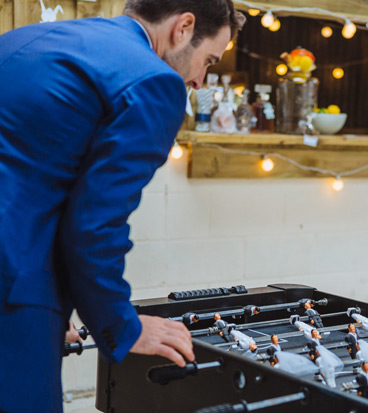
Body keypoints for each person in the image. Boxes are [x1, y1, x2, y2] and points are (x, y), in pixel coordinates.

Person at [0, 1, 245, 410]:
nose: (201, 81)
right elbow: (94, 227)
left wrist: (55, 309)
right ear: (183, 27)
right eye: (209, 61)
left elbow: (34, 180)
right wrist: (123, 327)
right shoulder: (155, 82)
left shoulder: (29, 39)